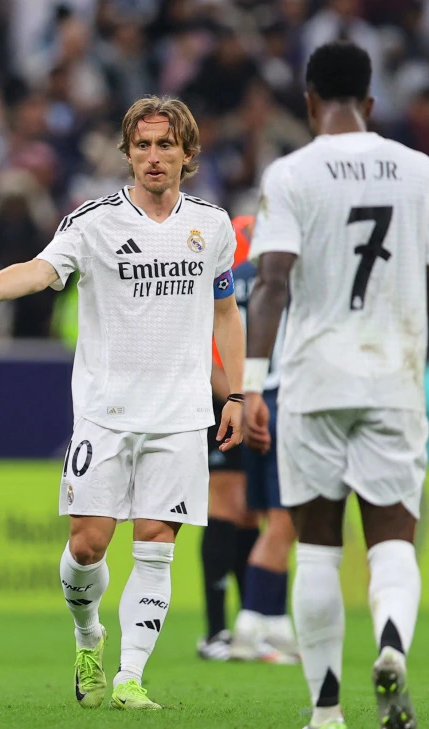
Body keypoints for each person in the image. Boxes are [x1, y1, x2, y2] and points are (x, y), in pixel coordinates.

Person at [0, 95, 246, 710]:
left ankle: (131, 676)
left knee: (157, 544)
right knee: (88, 546)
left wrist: (235, 391)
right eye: (142, 145)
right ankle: (88, 634)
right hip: (105, 414)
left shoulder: (212, 226)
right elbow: (38, 270)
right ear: (127, 152)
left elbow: (226, 312)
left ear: (188, 153)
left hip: (182, 416)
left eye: (165, 145)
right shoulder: (94, 221)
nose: (153, 157)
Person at [243, 42, 429, 729]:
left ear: (310, 101)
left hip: (312, 381)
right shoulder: (417, 170)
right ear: (370, 104)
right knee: (393, 537)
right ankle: (392, 645)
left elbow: (271, 282)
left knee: (315, 542)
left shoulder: (291, 173)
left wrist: (252, 382)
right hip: (393, 376)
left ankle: (326, 709)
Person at [228, 215, 300, 666]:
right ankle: (251, 624)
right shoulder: (291, 276)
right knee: (285, 522)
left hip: (251, 397)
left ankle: (274, 626)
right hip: (287, 401)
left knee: (269, 519)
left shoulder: (235, 279)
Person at [197, 215, 259, 662]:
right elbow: (208, 331)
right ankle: (217, 629)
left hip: (260, 397)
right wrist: (233, 396)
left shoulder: (283, 254)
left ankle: (253, 623)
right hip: (226, 394)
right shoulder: (225, 238)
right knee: (226, 500)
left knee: (252, 512)